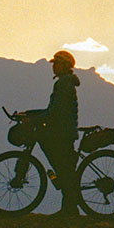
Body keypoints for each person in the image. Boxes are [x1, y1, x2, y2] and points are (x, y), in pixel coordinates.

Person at [26, 49, 80, 215]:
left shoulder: (63, 84)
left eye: (56, 63)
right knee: (65, 170)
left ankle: (70, 208)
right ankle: (69, 209)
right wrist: (30, 114)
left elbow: (55, 112)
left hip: (63, 133)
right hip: (64, 131)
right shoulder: (65, 82)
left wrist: (33, 120)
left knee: (64, 169)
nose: (53, 66)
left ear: (63, 65)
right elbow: (52, 110)